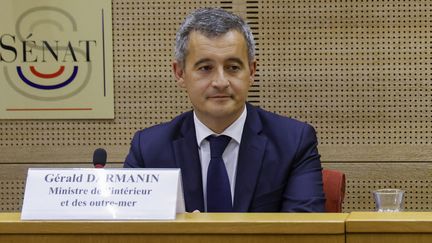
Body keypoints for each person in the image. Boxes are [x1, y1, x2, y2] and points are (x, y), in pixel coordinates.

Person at [124, 8, 325, 212]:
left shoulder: (293, 142)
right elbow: (130, 229)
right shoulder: (149, 149)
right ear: (179, 73)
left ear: (252, 72)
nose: (220, 82)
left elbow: (304, 229)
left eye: (233, 67)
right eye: (205, 68)